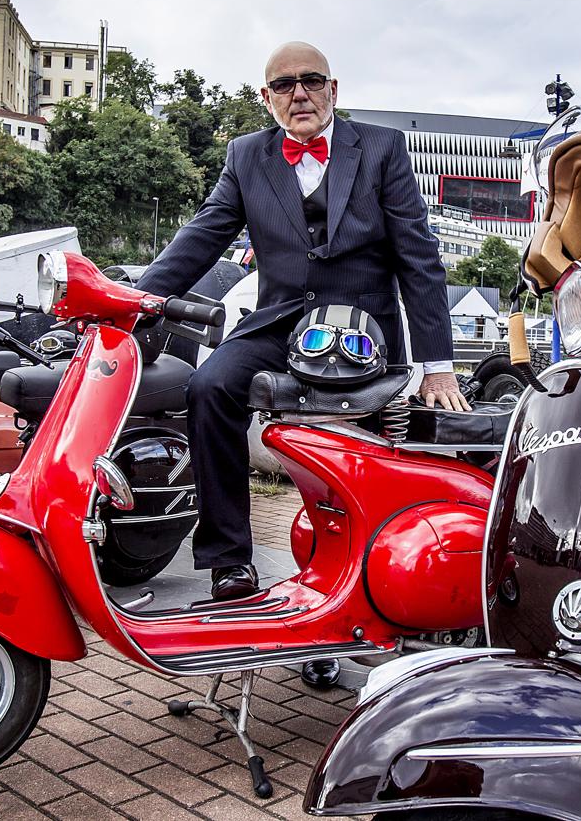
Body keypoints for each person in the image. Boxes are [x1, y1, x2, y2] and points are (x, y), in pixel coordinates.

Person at [137, 41, 467, 600]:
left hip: (367, 328)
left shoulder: (383, 148)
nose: (299, 94)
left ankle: (365, 569)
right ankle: (228, 562)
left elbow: (419, 258)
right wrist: (133, 298)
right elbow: (202, 236)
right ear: (267, 99)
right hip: (281, 323)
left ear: (333, 90)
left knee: (371, 437)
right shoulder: (246, 156)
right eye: (284, 86)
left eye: (311, 81)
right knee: (209, 386)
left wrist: (438, 366)